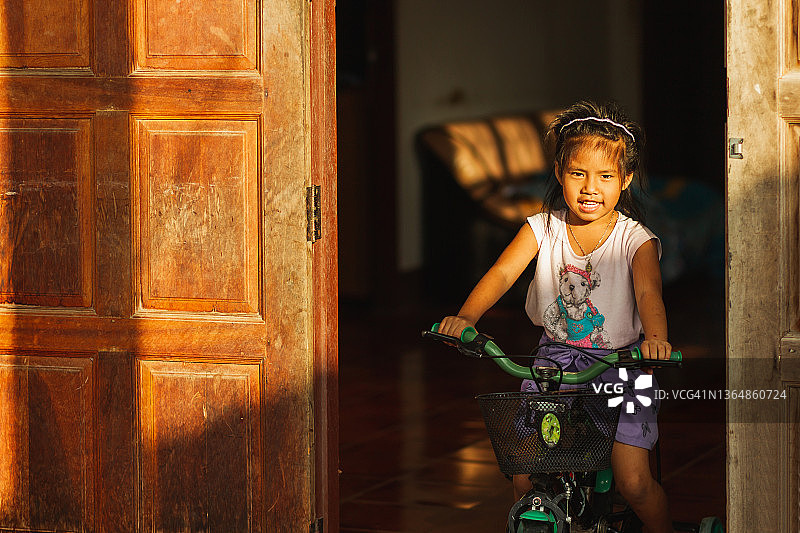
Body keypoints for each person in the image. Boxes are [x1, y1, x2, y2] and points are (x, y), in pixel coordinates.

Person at [437, 101, 674, 533]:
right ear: (559, 173)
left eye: (605, 176)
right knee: (525, 473)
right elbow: (502, 273)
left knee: (634, 482)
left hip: (627, 367)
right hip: (554, 364)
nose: (590, 188)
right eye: (578, 174)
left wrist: (656, 339)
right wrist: (466, 317)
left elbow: (648, 293)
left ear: (626, 180)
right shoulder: (542, 227)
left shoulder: (634, 240)